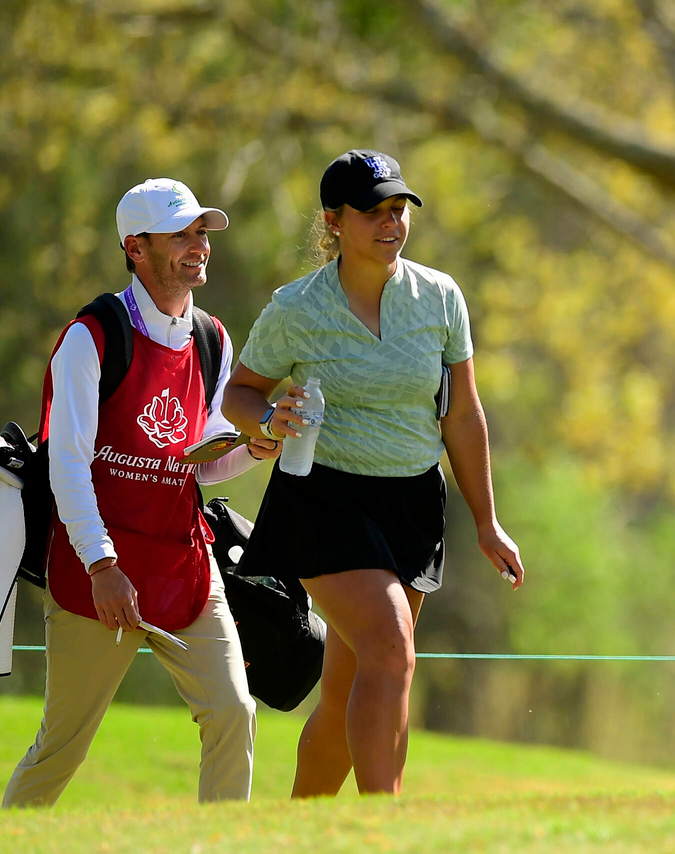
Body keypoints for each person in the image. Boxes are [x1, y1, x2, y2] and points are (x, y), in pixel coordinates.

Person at [222, 149, 526, 797]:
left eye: (398, 209)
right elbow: (239, 394)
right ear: (333, 221)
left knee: (351, 689)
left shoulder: (440, 298)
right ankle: (380, 831)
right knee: (392, 649)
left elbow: (464, 416)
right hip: (323, 500)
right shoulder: (296, 307)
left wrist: (488, 522)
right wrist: (269, 419)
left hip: (412, 504)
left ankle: (300, 835)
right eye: (372, 212)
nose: (391, 223)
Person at [4, 179, 281, 807]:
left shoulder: (211, 337)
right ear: (136, 247)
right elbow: (67, 467)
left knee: (234, 712)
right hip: (97, 572)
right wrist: (102, 565)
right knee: (62, 748)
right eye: (180, 235)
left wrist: (253, 446)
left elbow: (198, 465)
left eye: (202, 233)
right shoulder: (91, 336)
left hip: (185, 563)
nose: (199, 246)